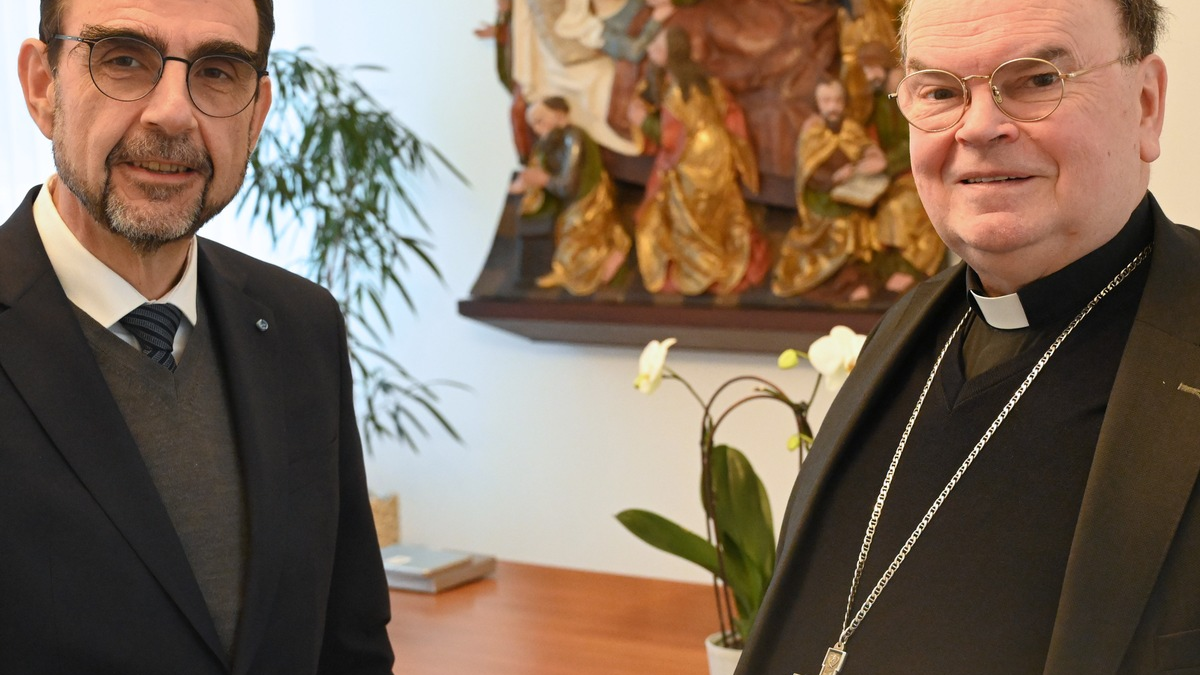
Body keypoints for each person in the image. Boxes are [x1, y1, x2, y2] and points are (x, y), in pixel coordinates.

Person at [737, 0, 1199, 674]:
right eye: (939, 92)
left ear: (1147, 105)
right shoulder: (904, 328)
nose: (979, 127)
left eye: (1037, 79)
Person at [0, 1, 394, 673]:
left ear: (256, 113)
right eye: (124, 59)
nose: (173, 113)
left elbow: (349, 644)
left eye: (216, 71)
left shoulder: (302, 325)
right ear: (43, 86)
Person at [631, 26, 768, 295]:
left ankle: (704, 268)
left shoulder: (676, 91)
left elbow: (670, 137)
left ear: (671, 53)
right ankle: (717, 254)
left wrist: (642, 121)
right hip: (717, 149)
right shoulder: (703, 81)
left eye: (656, 47)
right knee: (714, 207)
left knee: (690, 214)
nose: (650, 49)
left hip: (694, 156)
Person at [773, 76, 886, 299]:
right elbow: (809, 171)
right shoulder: (813, 131)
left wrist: (865, 161)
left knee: (860, 224)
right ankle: (831, 282)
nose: (833, 107)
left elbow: (866, 150)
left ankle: (851, 279)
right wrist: (833, 179)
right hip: (820, 198)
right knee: (841, 228)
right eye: (826, 101)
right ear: (817, 104)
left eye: (837, 100)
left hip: (850, 195)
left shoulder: (851, 128)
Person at [509, 97, 631, 295]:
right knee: (563, 234)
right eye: (533, 125)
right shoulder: (548, 143)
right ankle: (568, 271)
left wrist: (544, 180)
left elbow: (568, 184)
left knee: (575, 240)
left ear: (560, 116)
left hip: (588, 199)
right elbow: (536, 167)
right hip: (569, 202)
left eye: (541, 120)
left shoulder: (574, 139)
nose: (538, 129)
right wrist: (527, 181)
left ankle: (604, 262)